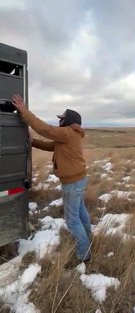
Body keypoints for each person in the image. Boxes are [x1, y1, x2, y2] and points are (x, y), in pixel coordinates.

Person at [12, 94, 91, 263]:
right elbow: (50, 145)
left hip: (72, 183)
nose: (59, 122)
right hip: (79, 180)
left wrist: (24, 111)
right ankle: (88, 240)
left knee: (72, 220)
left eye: (62, 119)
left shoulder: (67, 133)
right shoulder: (70, 135)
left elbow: (44, 128)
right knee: (80, 213)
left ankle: (84, 255)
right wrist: (32, 142)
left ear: (69, 121)